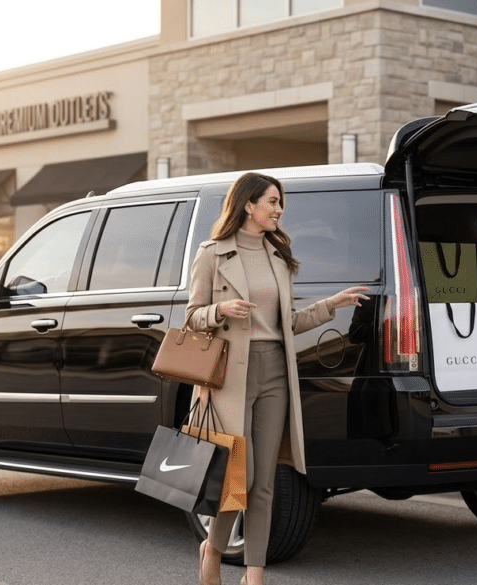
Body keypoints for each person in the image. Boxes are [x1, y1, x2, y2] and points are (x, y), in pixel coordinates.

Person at [185, 172, 368, 585]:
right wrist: (220, 311)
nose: (279, 210)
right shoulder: (213, 254)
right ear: (248, 205)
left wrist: (330, 305)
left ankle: (255, 574)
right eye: (272, 202)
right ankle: (211, 549)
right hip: (230, 376)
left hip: (275, 373)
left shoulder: (279, 254)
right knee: (238, 476)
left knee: (266, 480)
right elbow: (191, 317)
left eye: (280, 203)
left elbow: (287, 323)